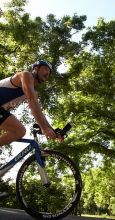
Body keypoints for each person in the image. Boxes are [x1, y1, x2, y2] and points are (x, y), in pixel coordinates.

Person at [0, 60, 60, 198]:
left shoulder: (33, 90)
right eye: (45, 69)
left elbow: (37, 109)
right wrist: (44, 128)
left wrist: (51, 129)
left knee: (19, 131)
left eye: (49, 72)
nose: (47, 73)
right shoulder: (26, 76)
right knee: (19, 131)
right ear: (36, 69)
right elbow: (32, 102)